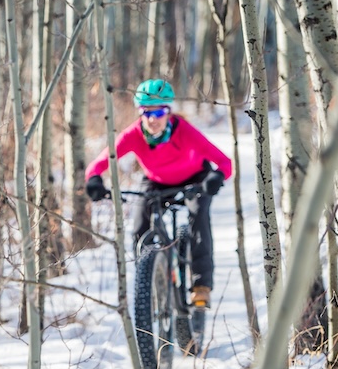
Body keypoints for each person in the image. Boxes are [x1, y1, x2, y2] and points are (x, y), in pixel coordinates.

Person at [83, 79, 232, 308]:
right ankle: (151, 277)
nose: (152, 119)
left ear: (168, 111)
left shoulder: (185, 131)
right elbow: (99, 163)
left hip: (195, 179)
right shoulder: (133, 134)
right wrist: (94, 180)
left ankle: (201, 286)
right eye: (146, 112)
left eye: (159, 112)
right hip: (156, 180)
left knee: (198, 217)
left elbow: (224, 162)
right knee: (139, 225)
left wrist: (216, 177)